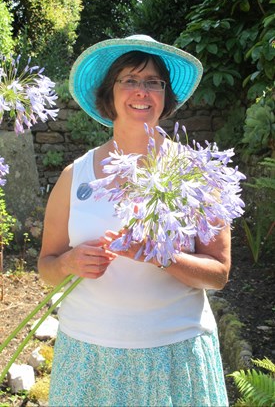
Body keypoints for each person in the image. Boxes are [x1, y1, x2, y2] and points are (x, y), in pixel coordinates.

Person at [38, 34, 230, 406]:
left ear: (164, 96)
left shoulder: (197, 174)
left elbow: (219, 273)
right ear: (110, 93)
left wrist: (161, 255)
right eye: (129, 79)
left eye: (153, 82)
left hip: (174, 354)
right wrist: (68, 262)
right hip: (89, 356)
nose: (141, 91)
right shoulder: (73, 177)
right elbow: (46, 267)